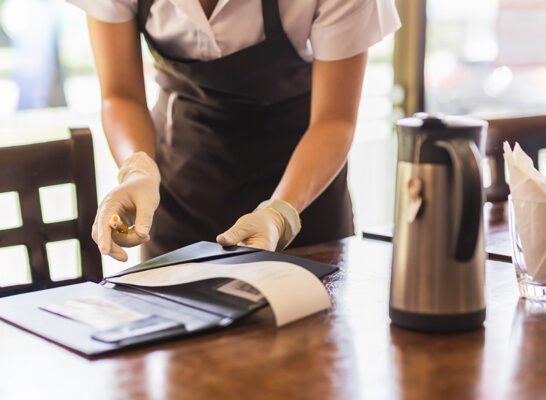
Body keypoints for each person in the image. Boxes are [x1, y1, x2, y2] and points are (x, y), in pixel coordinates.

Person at [69, 0, 400, 261]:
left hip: (303, 200)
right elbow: (120, 95)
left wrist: (280, 214)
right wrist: (137, 170)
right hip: (179, 194)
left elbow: (335, 119)